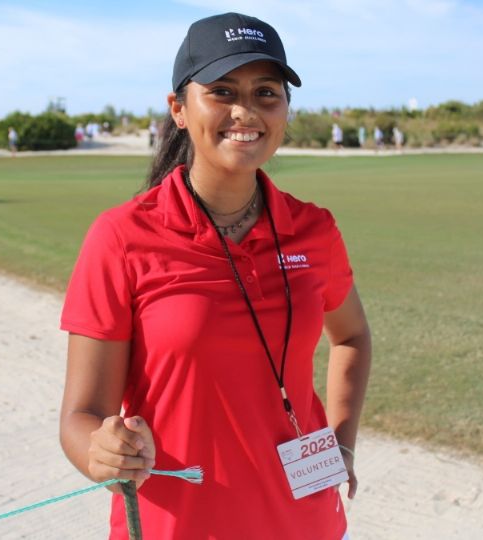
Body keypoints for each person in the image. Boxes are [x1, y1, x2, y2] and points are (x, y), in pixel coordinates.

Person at [59, 12, 371, 540]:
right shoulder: (121, 237)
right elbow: (81, 417)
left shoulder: (314, 229)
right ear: (179, 109)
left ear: (285, 109)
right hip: (179, 525)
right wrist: (102, 450)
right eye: (222, 91)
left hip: (306, 521)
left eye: (266, 91)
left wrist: (342, 440)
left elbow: (353, 336)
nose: (245, 110)